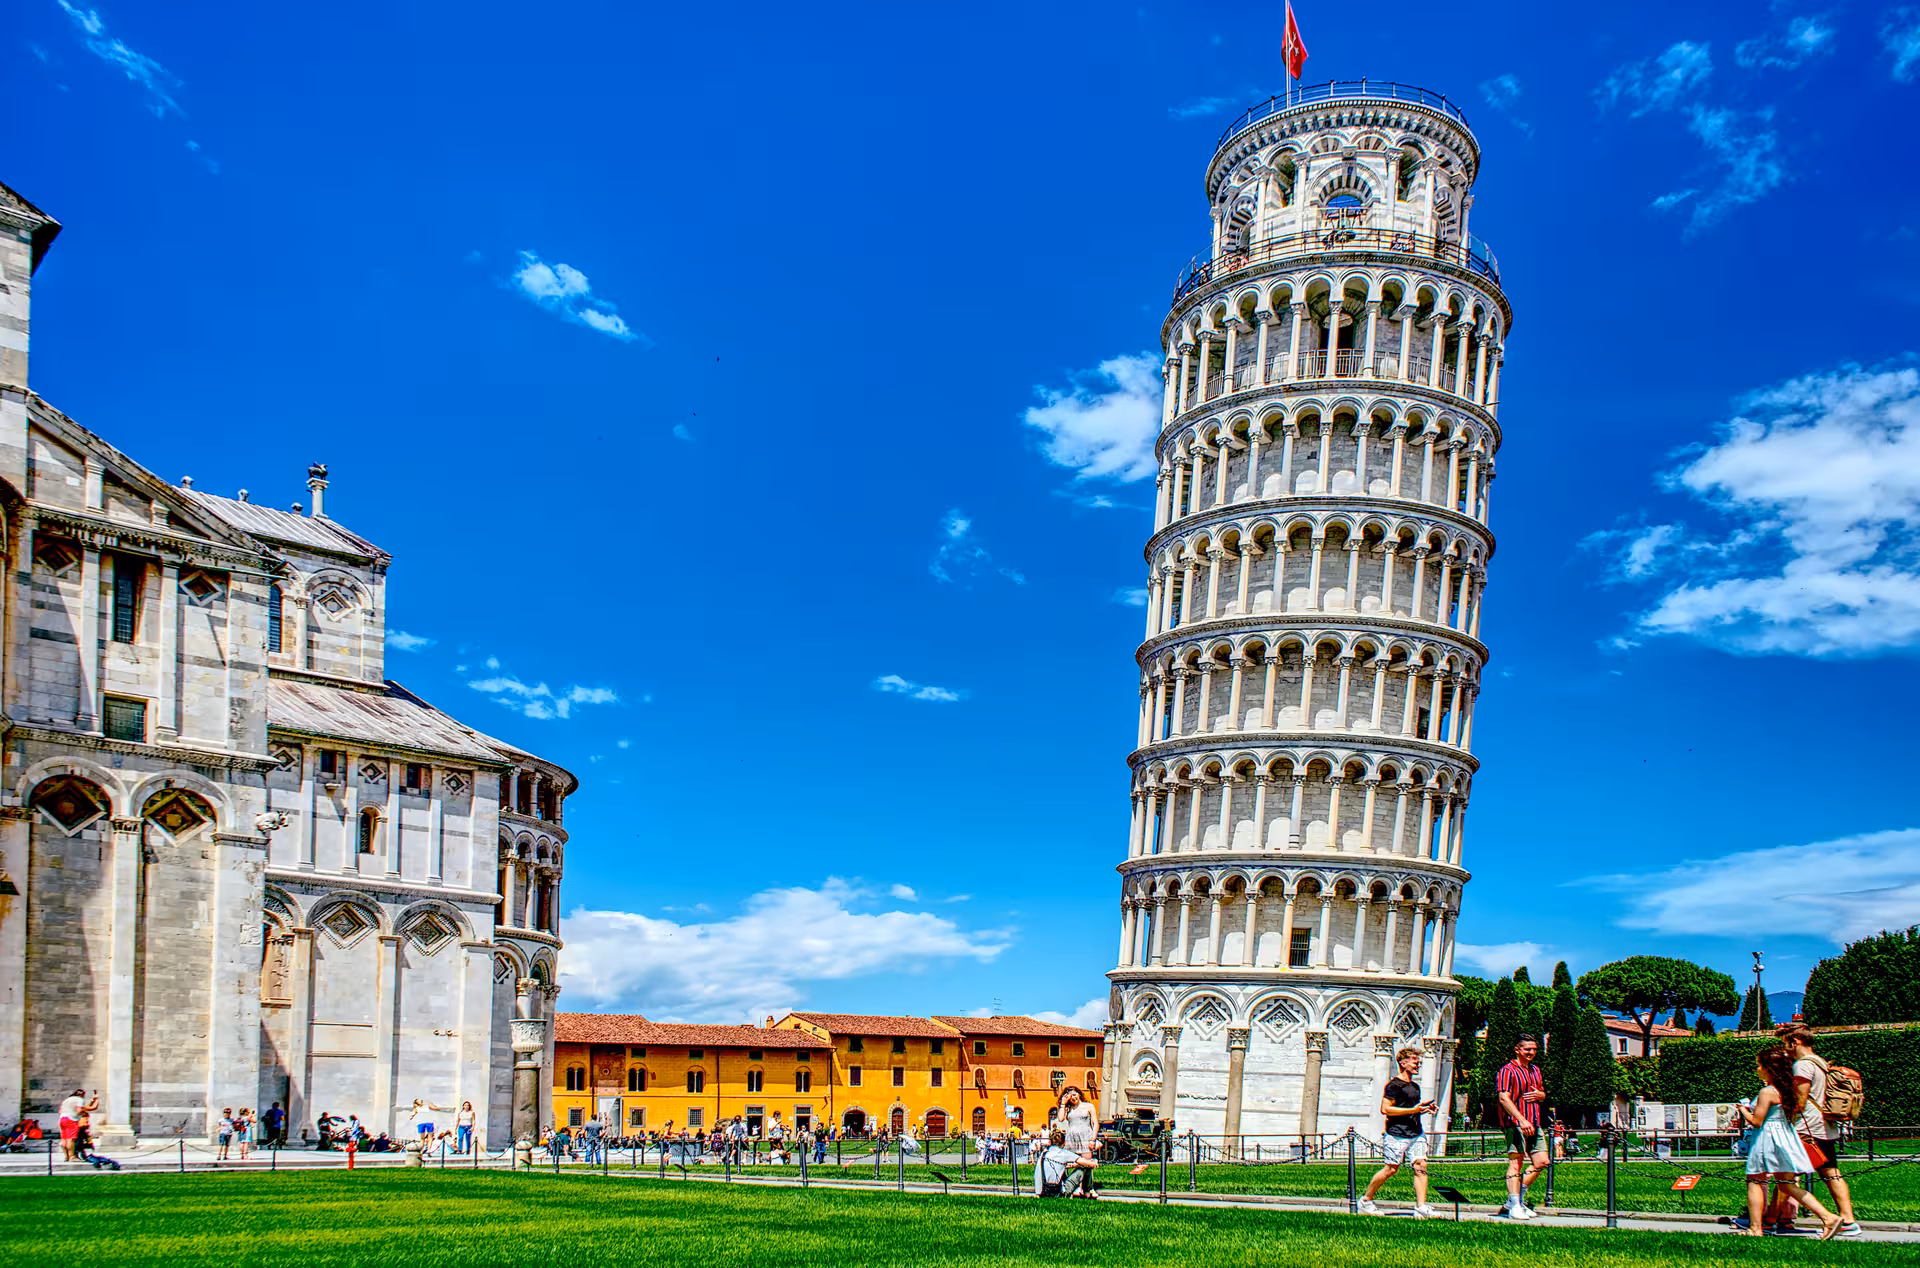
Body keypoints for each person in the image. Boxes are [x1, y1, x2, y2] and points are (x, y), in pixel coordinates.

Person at [1738, 1043, 1842, 1240]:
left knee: (1755, 1180)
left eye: (1759, 1066)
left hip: (1767, 1138)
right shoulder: (1787, 1090)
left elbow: (1757, 1121)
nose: (1757, 1069)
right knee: (1787, 1183)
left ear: (1769, 1069)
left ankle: (1755, 1228)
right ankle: (1828, 1217)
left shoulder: (1767, 1092)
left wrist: (1743, 1110)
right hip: (1785, 1136)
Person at [1772, 1023, 1860, 1238]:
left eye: (1786, 1045)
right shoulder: (1821, 1062)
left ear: (1795, 1042)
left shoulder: (1802, 1065)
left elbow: (1800, 1101)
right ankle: (1848, 1220)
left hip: (1807, 1128)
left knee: (1786, 1176)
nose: (1786, 1050)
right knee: (1831, 1174)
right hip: (1825, 1127)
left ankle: (1773, 1219)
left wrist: (1784, 1118)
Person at [1359, 1046, 1438, 1218]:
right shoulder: (1393, 1085)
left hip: (1416, 1133)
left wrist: (1424, 1108)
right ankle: (1366, 1200)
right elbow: (1385, 1109)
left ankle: (1421, 1207)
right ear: (1403, 1063)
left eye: (1419, 1061)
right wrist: (1414, 1110)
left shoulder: (1415, 1086)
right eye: (1415, 1061)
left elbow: (1411, 1107)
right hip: (1396, 1133)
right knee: (1391, 1169)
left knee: (1421, 1165)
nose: (1418, 1064)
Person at [1494, 1034, 1549, 1219]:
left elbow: (1540, 1092)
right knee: (1516, 1163)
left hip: (1534, 1121)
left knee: (1542, 1162)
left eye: (1534, 1049)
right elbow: (1503, 1098)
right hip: (1515, 1123)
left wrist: (1542, 1096)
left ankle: (1517, 1199)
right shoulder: (1507, 1070)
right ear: (1517, 1049)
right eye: (1527, 1049)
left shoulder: (1535, 1070)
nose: (1531, 1052)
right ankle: (1515, 1203)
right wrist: (1521, 1120)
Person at [1054, 1085, 1101, 1197]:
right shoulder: (1067, 1108)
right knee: (1076, 1164)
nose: (1073, 1098)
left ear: (1079, 1094)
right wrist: (1063, 1104)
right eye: (1070, 1096)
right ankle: (1080, 1188)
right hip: (1072, 1139)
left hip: (1086, 1138)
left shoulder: (1089, 1106)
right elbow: (1060, 1119)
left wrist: (1093, 1139)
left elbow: (1095, 1123)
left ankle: (1087, 1188)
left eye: (1074, 1094)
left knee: (1087, 1164)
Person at [1032, 1129, 1087, 1198]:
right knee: (1083, 1169)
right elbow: (1087, 1163)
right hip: (1059, 1192)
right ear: (1064, 1143)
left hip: (1043, 1191)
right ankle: (1086, 1191)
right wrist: (1094, 1162)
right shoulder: (1064, 1154)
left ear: (1050, 1142)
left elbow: (1038, 1174)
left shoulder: (1043, 1154)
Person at [57, 1089, 97, 1163]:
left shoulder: (67, 1100)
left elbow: (60, 1111)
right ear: (82, 1095)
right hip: (71, 1119)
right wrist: (81, 1114)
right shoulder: (79, 1100)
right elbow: (79, 1110)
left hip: (62, 1119)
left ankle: (66, 1156)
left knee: (64, 1139)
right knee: (71, 1139)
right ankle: (72, 1156)